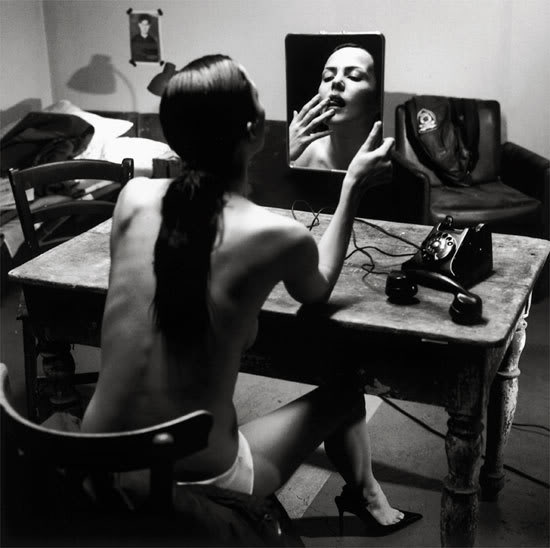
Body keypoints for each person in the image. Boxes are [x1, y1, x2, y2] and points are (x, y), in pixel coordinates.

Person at [81, 54, 421, 536]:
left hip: (97, 460)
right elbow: (318, 287)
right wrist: (352, 187)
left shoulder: (132, 196)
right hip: (195, 481)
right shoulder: (276, 235)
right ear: (255, 130)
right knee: (346, 394)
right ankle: (369, 498)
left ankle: (368, 497)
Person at [290, 43, 381, 171]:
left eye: (354, 76)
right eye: (328, 77)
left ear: (378, 98)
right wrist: (287, 153)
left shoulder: (390, 163)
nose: (336, 81)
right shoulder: (301, 156)